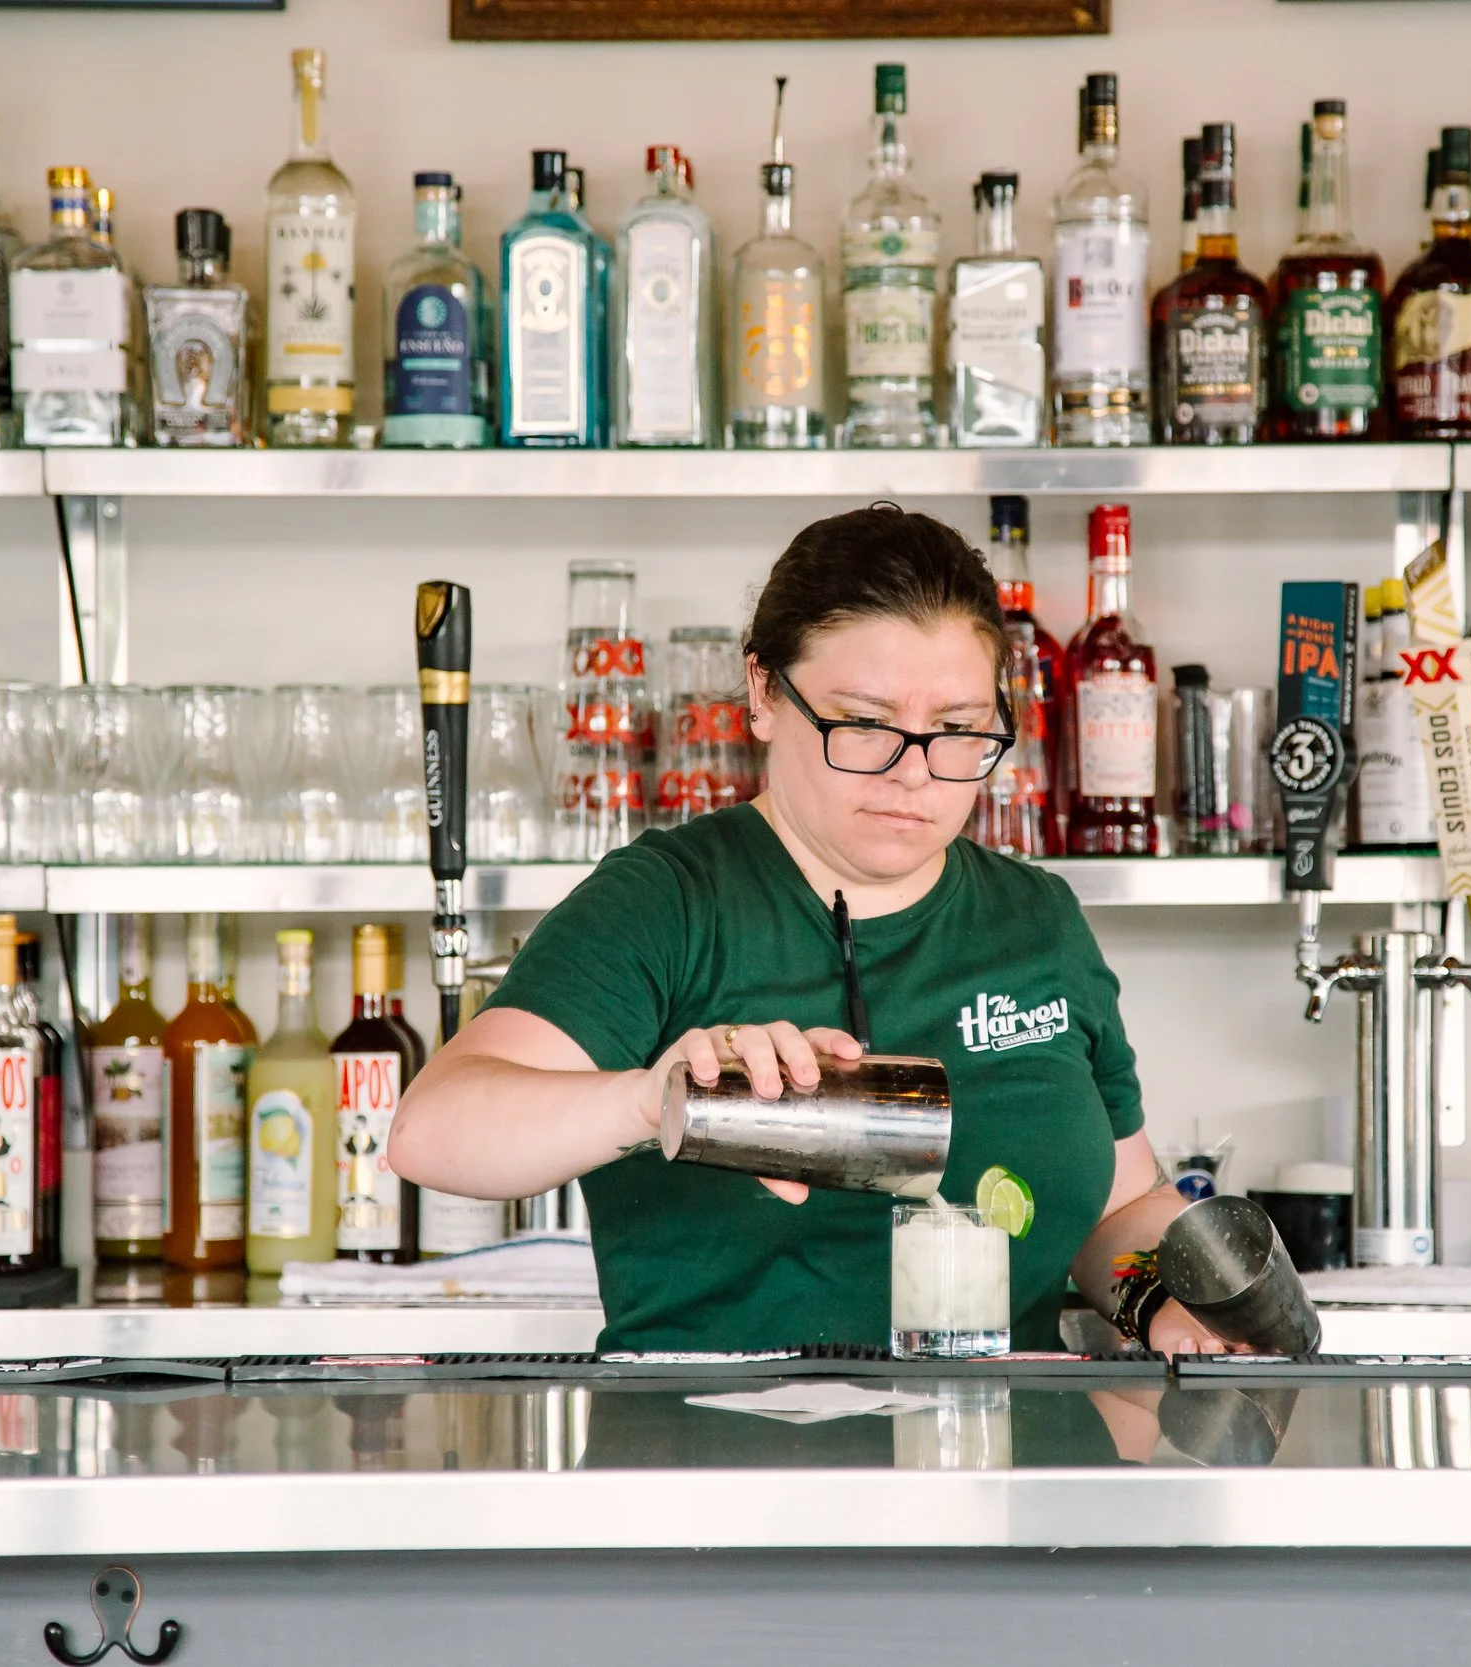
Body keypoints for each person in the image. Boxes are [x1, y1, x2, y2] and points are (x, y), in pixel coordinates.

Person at [389, 504, 1238, 1357]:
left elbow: (1121, 1206)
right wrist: (652, 1098)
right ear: (763, 692)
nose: (913, 774)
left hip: (1001, 1467)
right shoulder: (668, 900)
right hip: (714, 1464)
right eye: (864, 724)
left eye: (956, 730)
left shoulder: (1036, 918)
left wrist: (1164, 1297)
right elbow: (433, 1130)